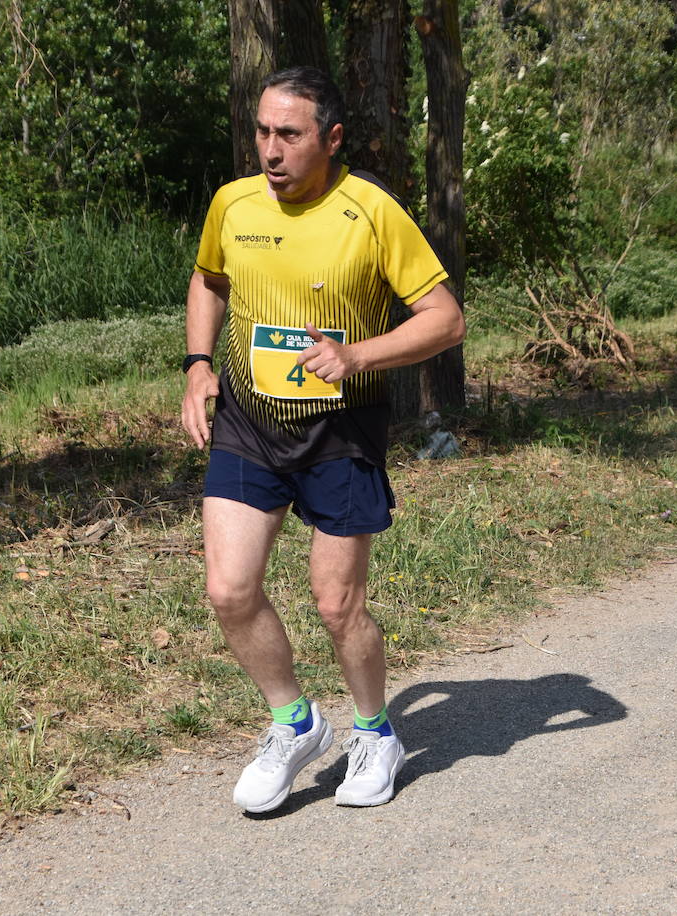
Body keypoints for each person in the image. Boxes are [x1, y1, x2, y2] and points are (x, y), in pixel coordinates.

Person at [180, 66, 464, 813]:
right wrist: (198, 366)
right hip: (248, 422)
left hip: (342, 429)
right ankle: (294, 721)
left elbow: (445, 318)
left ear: (331, 139)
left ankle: (375, 733)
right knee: (228, 589)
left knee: (338, 605)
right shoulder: (233, 205)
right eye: (262, 132)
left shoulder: (370, 212)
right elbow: (209, 281)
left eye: (289, 135)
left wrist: (359, 356)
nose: (270, 151)